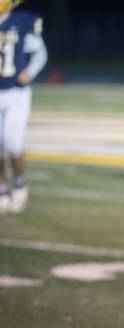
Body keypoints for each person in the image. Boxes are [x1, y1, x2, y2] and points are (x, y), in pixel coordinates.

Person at [0, 0, 46, 215]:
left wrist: (31, 72)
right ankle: (1, 189)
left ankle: (19, 183)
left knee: (14, 143)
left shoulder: (22, 22)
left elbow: (40, 53)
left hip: (16, 92)